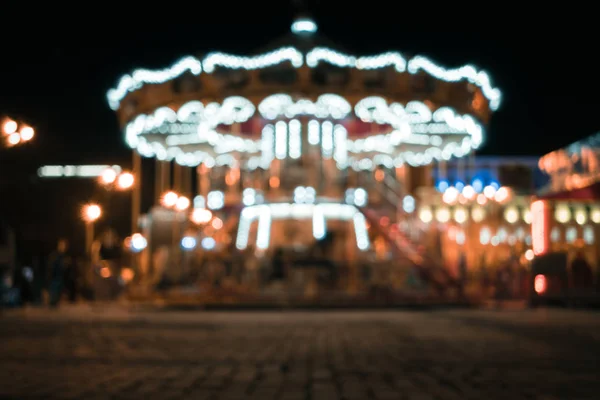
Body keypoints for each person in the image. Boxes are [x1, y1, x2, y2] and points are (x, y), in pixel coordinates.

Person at [48, 239, 70, 307]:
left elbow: (64, 267)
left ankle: (55, 302)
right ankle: (52, 302)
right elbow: (51, 266)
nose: (63, 247)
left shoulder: (64, 256)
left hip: (60, 277)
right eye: (61, 245)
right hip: (54, 276)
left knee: (58, 290)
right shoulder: (55, 255)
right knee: (54, 289)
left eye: (64, 246)